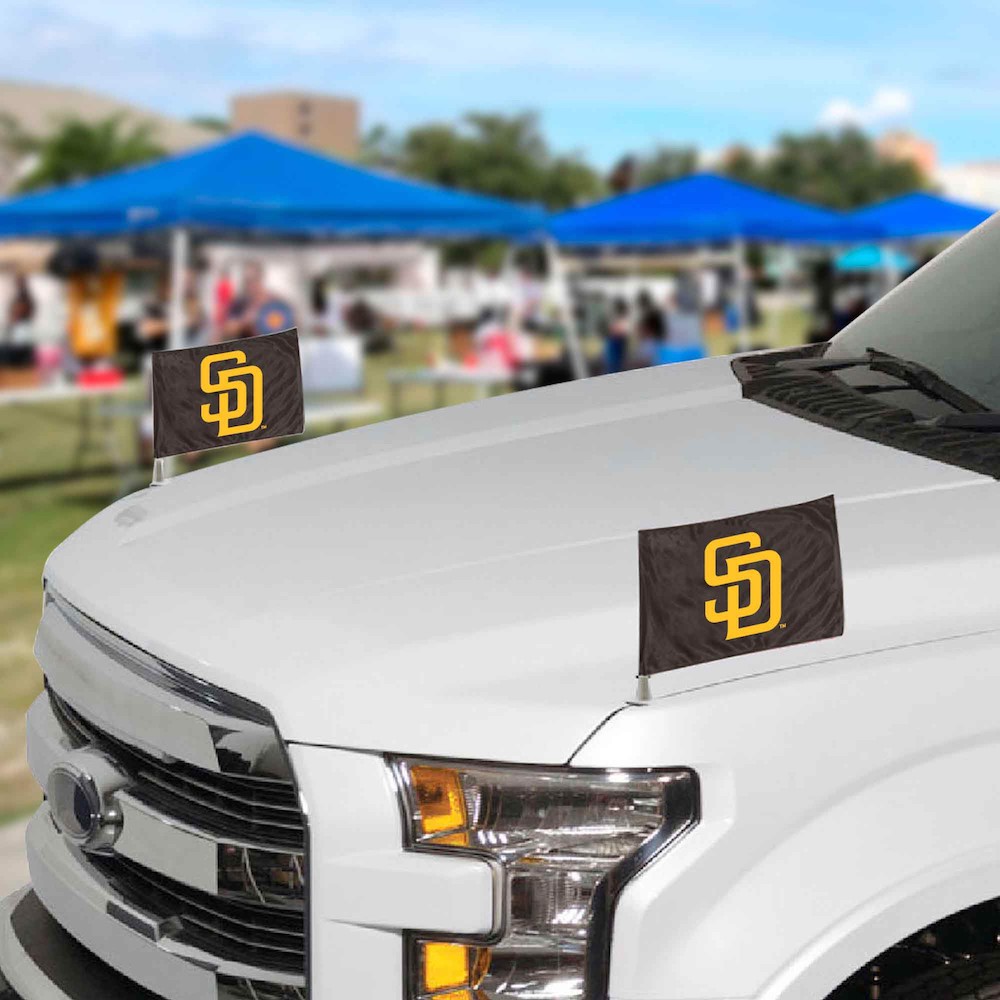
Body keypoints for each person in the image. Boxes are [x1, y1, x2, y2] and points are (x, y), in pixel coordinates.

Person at [223, 262, 294, 340]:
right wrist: (244, 321)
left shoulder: (275, 302)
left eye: (254, 279)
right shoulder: (239, 303)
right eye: (247, 280)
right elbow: (227, 329)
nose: (251, 284)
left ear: (261, 279)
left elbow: (291, 324)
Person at [5, 274, 36, 344]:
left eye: (18, 281)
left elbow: (22, 309)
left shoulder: (24, 295)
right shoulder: (21, 294)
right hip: (19, 326)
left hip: (21, 327)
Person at [603, 297, 630, 374]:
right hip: (616, 342)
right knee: (615, 365)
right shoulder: (619, 319)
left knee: (616, 365)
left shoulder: (621, 319)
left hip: (618, 342)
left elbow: (618, 332)